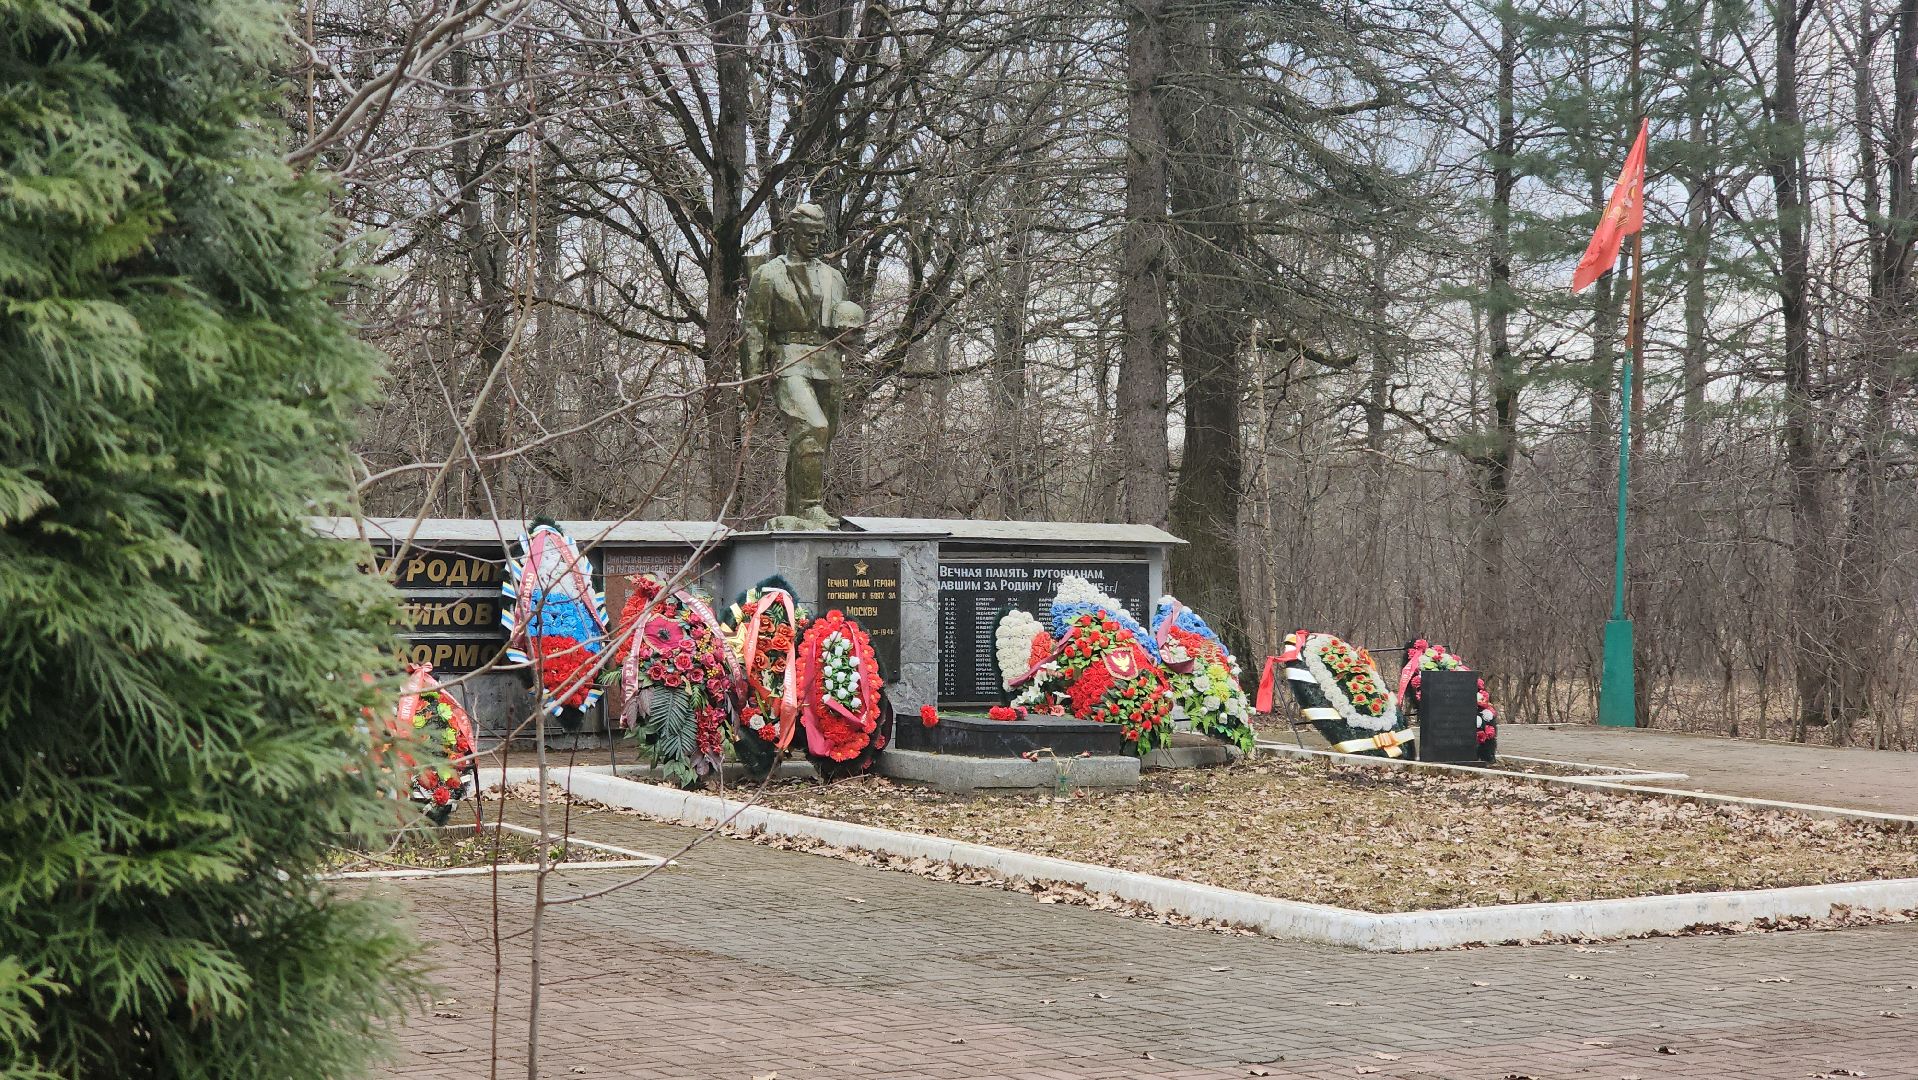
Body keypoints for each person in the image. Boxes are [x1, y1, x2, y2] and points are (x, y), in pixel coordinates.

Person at [741, 203, 863, 529]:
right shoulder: (768, 276)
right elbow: (753, 330)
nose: (814, 242)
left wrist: (850, 330)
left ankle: (795, 511)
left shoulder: (834, 277)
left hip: (827, 363)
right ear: (791, 233)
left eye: (819, 236)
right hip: (788, 359)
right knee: (813, 426)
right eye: (808, 235)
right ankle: (810, 507)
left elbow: (841, 324)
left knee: (816, 439)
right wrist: (751, 379)